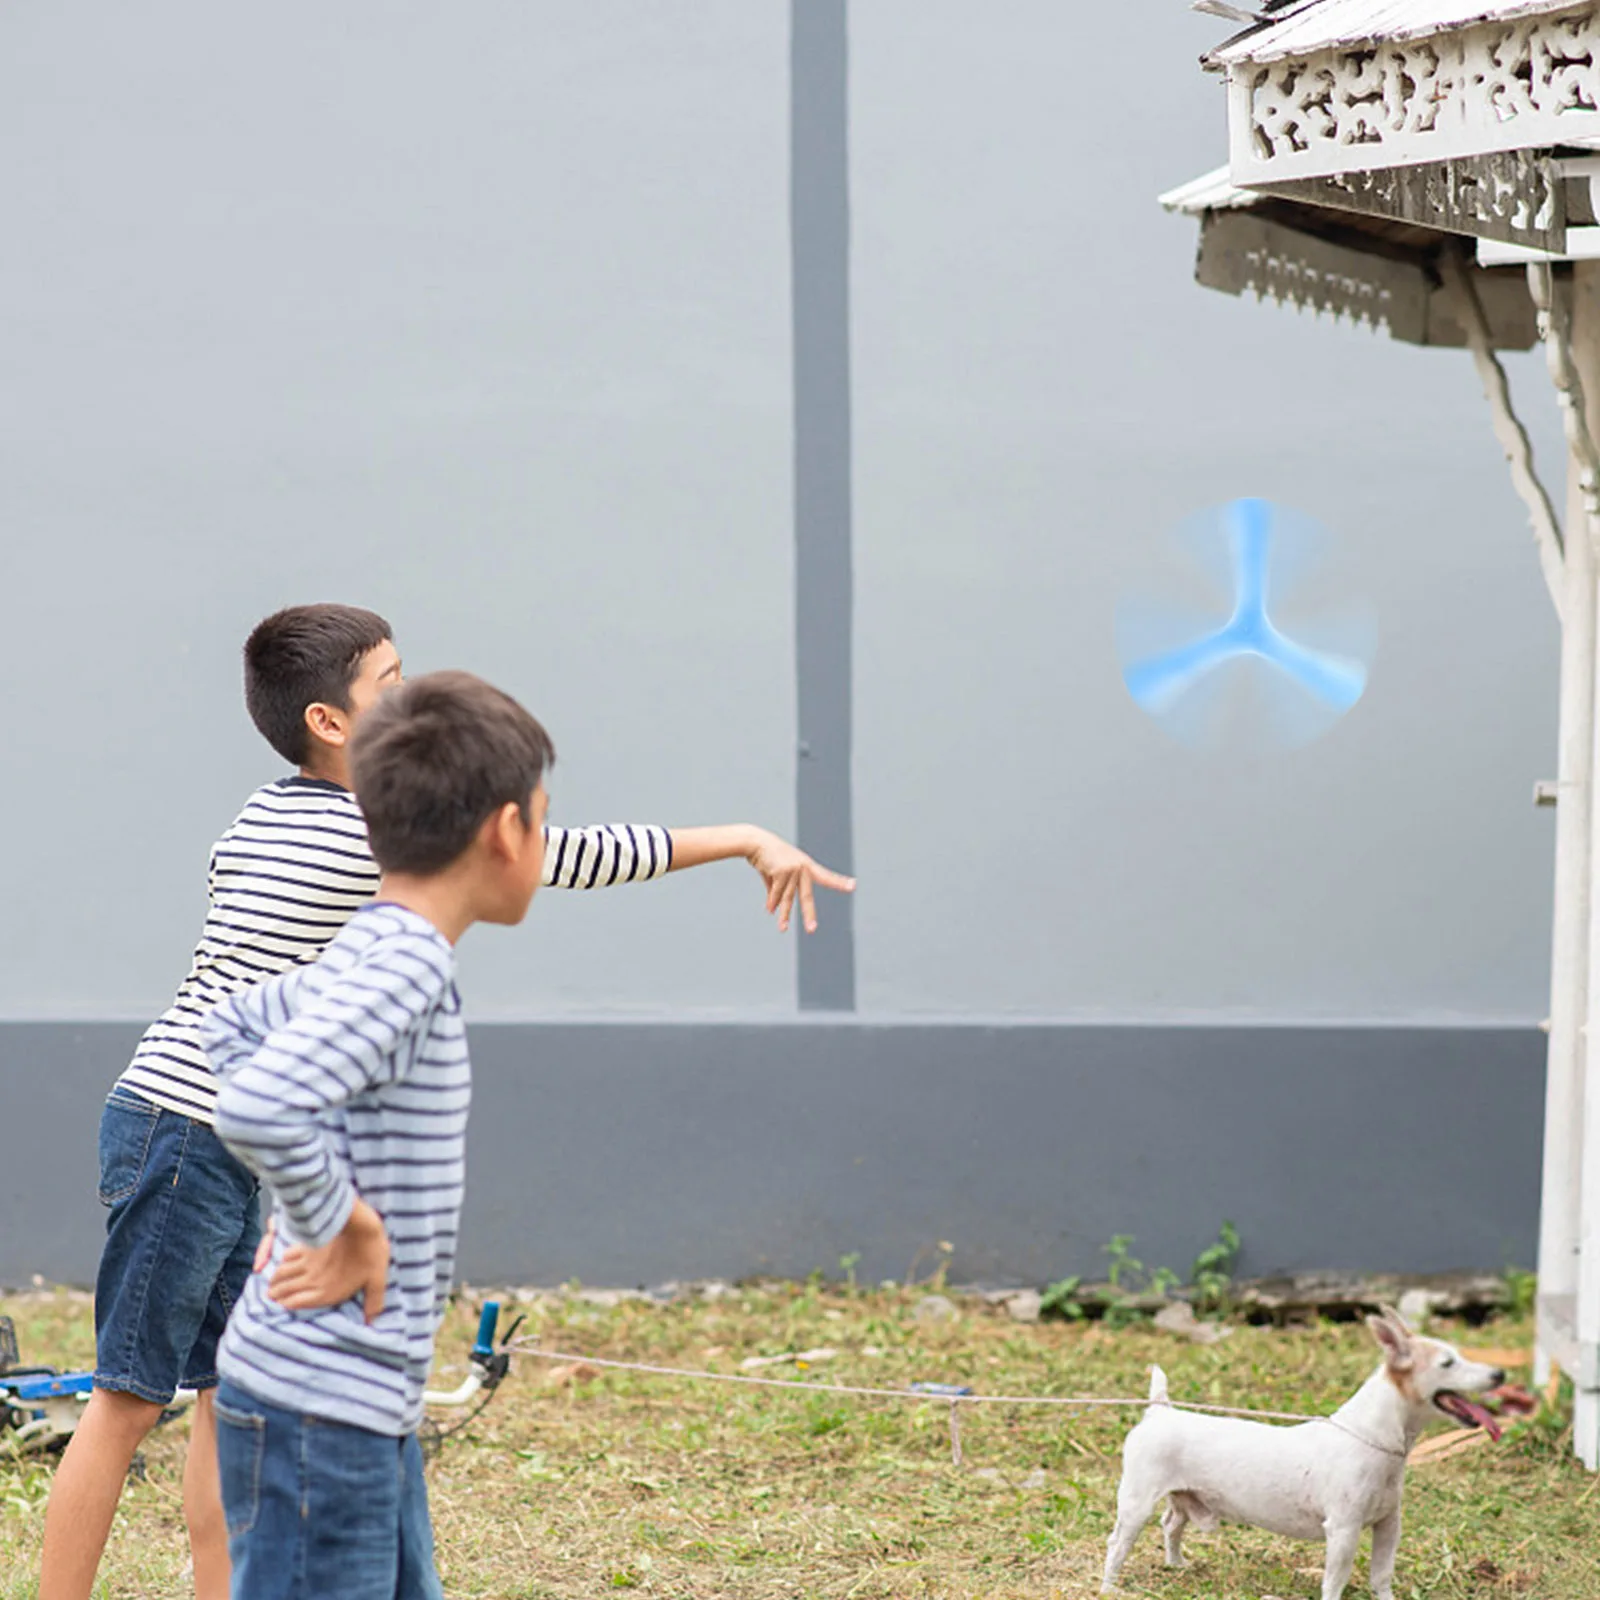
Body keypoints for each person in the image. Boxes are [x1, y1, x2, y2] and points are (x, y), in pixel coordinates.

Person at [38, 606, 851, 1600]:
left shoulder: (268, 808)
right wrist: (739, 839)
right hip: (187, 1129)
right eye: (391, 681)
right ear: (332, 722)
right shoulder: (357, 841)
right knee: (126, 1400)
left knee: (219, 1397)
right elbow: (562, 854)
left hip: (218, 1125)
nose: (408, 694)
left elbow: (244, 1004)